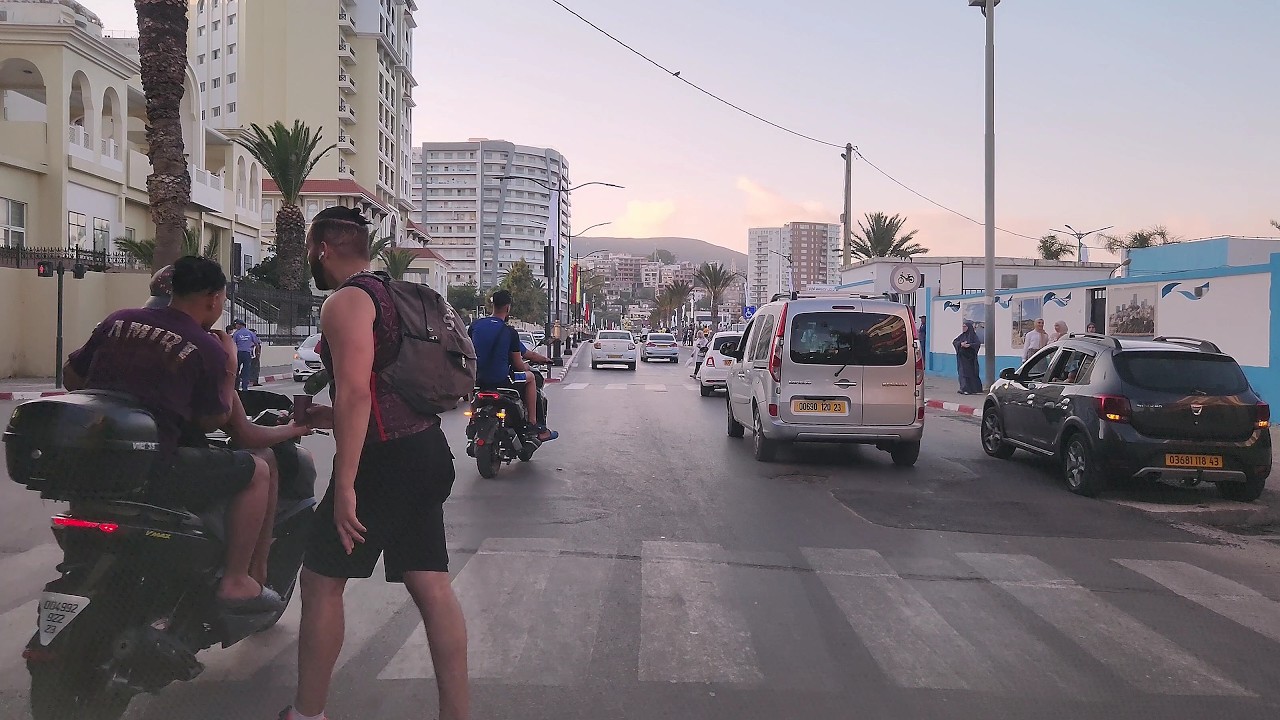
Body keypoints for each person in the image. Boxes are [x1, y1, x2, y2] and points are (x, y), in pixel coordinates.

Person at [283, 206, 469, 720]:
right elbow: (385, 391)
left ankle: (307, 713)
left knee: (321, 579)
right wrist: (325, 415)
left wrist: (345, 487)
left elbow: (358, 394)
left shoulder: (346, 302)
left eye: (309, 249)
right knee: (430, 582)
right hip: (428, 451)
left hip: (384, 462)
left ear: (322, 248)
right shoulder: (391, 295)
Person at [62, 257, 290, 613]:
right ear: (215, 298)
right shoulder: (207, 346)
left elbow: (72, 379)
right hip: (158, 469)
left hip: (96, 461)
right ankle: (235, 580)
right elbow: (214, 420)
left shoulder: (119, 320)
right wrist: (229, 367)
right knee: (259, 470)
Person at [469, 289, 557, 442]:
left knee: (471, 381)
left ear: (492, 305)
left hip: (479, 378)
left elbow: (468, 348)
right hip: (502, 381)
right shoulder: (509, 332)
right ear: (508, 307)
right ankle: (533, 424)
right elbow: (518, 364)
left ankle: (472, 419)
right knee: (531, 378)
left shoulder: (475, 325)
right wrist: (529, 366)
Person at [953, 321, 983, 394]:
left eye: (965, 326)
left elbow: (977, 344)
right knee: (962, 373)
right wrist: (961, 344)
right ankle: (964, 388)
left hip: (970, 360)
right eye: (963, 326)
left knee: (970, 373)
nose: (963, 328)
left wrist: (969, 345)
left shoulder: (973, 336)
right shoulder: (962, 336)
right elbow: (955, 342)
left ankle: (971, 389)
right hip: (962, 359)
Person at [231, 319, 260, 391]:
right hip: (247, 354)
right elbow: (257, 344)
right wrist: (257, 354)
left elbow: (232, 344)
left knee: (236, 371)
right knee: (246, 371)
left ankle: (236, 388)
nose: (236, 326)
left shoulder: (236, 333)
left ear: (240, 325)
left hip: (238, 353)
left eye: (237, 324)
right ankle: (245, 388)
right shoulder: (250, 333)